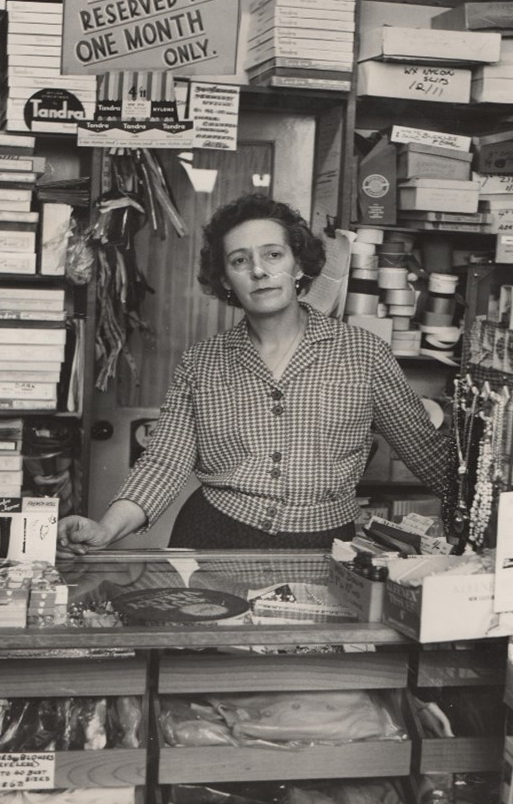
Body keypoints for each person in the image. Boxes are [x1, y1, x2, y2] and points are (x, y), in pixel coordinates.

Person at [58, 194, 448, 553]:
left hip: (325, 545)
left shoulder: (363, 353)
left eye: (274, 255)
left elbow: (427, 453)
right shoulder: (202, 362)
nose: (259, 271)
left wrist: (494, 525)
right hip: (215, 537)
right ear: (227, 281)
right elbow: (164, 462)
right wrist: (106, 529)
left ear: (298, 265)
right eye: (240, 261)